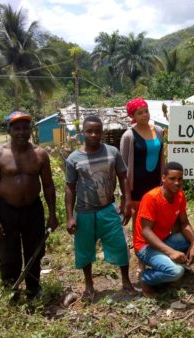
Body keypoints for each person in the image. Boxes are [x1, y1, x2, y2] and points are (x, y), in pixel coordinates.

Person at [0, 111, 59, 299]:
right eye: (16, 128)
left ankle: (34, 288)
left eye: (25, 128)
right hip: (6, 210)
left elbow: (48, 186)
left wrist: (52, 214)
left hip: (33, 209)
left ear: (30, 130)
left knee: (35, 250)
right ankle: (11, 289)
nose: (21, 132)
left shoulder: (40, 154)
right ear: (9, 130)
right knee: (8, 252)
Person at [65, 115, 135, 301]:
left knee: (120, 245)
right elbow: (70, 188)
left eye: (97, 131)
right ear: (83, 133)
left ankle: (126, 281)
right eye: (89, 131)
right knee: (84, 249)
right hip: (84, 211)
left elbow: (123, 176)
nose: (94, 134)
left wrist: (127, 202)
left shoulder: (112, 152)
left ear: (102, 132)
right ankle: (89, 286)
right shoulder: (74, 158)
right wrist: (70, 216)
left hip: (107, 208)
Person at [133, 162, 194, 297]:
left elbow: (184, 222)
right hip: (145, 247)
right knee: (176, 272)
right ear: (163, 178)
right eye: (172, 179)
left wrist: (193, 243)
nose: (177, 183)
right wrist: (171, 252)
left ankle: (173, 265)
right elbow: (146, 232)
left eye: (180, 179)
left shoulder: (179, 196)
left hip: (164, 240)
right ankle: (146, 278)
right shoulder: (151, 198)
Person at [120, 97, 165, 274]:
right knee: (140, 224)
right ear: (133, 116)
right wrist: (126, 195)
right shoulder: (129, 136)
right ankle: (141, 262)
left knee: (155, 221)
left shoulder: (159, 130)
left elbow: (162, 157)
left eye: (146, 111)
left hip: (155, 185)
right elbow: (123, 167)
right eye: (140, 113)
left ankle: (156, 255)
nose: (144, 115)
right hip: (137, 187)